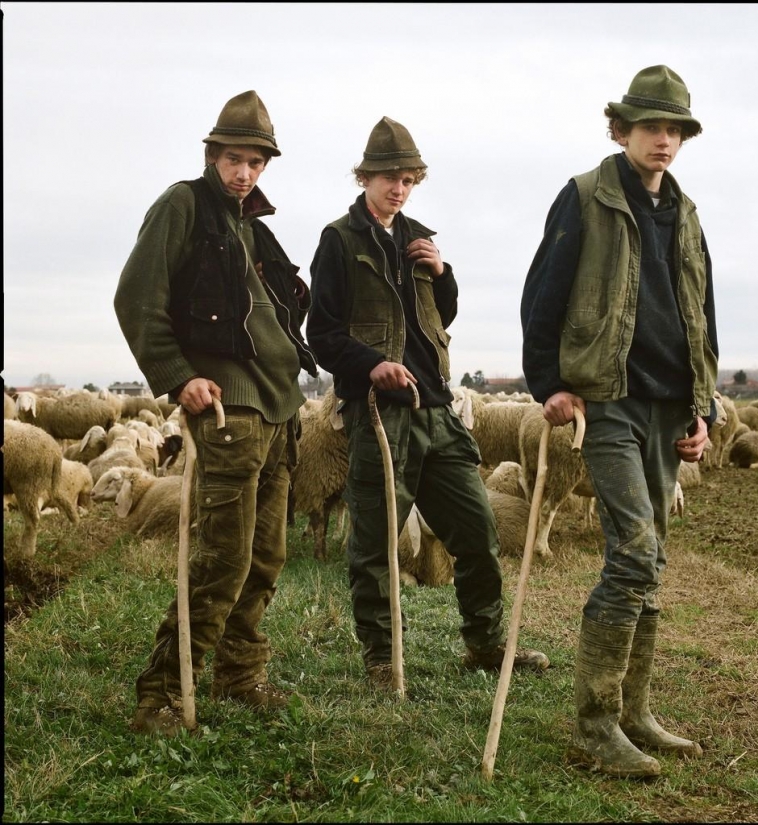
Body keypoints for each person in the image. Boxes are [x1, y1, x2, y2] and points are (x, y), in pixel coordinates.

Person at [520, 65, 718, 778]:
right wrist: (547, 382)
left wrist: (704, 406)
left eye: (674, 130)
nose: (663, 140)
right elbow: (542, 294)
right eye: (650, 127)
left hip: (670, 406)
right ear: (619, 130)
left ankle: (633, 712)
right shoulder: (583, 198)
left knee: (651, 564)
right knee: (631, 554)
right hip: (606, 400)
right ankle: (593, 726)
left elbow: (700, 310)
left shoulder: (686, 213)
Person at [306, 116, 549, 690]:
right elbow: (322, 334)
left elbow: (442, 316)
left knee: (477, 530)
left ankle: (486, 644)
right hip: (380, 415)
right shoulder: (339, 241)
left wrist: (442, 274)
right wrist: (373, 365)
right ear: (364, 177)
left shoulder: (418, 235)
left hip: (438, 410)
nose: (398, 188)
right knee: (376, 543)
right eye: (388, 176)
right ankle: (382, 661)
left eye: (408, 178)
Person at [114, 90, 317, 736]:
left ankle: (238, 669)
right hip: (229, 408)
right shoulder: (184, 206)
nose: (245, 173)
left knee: (265, 554)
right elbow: (136, 298)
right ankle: (162, 692)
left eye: (256, 162)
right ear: (212, 155)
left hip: (279, 408)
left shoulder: (253, 227)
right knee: (222, 557)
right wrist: (179, 377)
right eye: (234, 159)